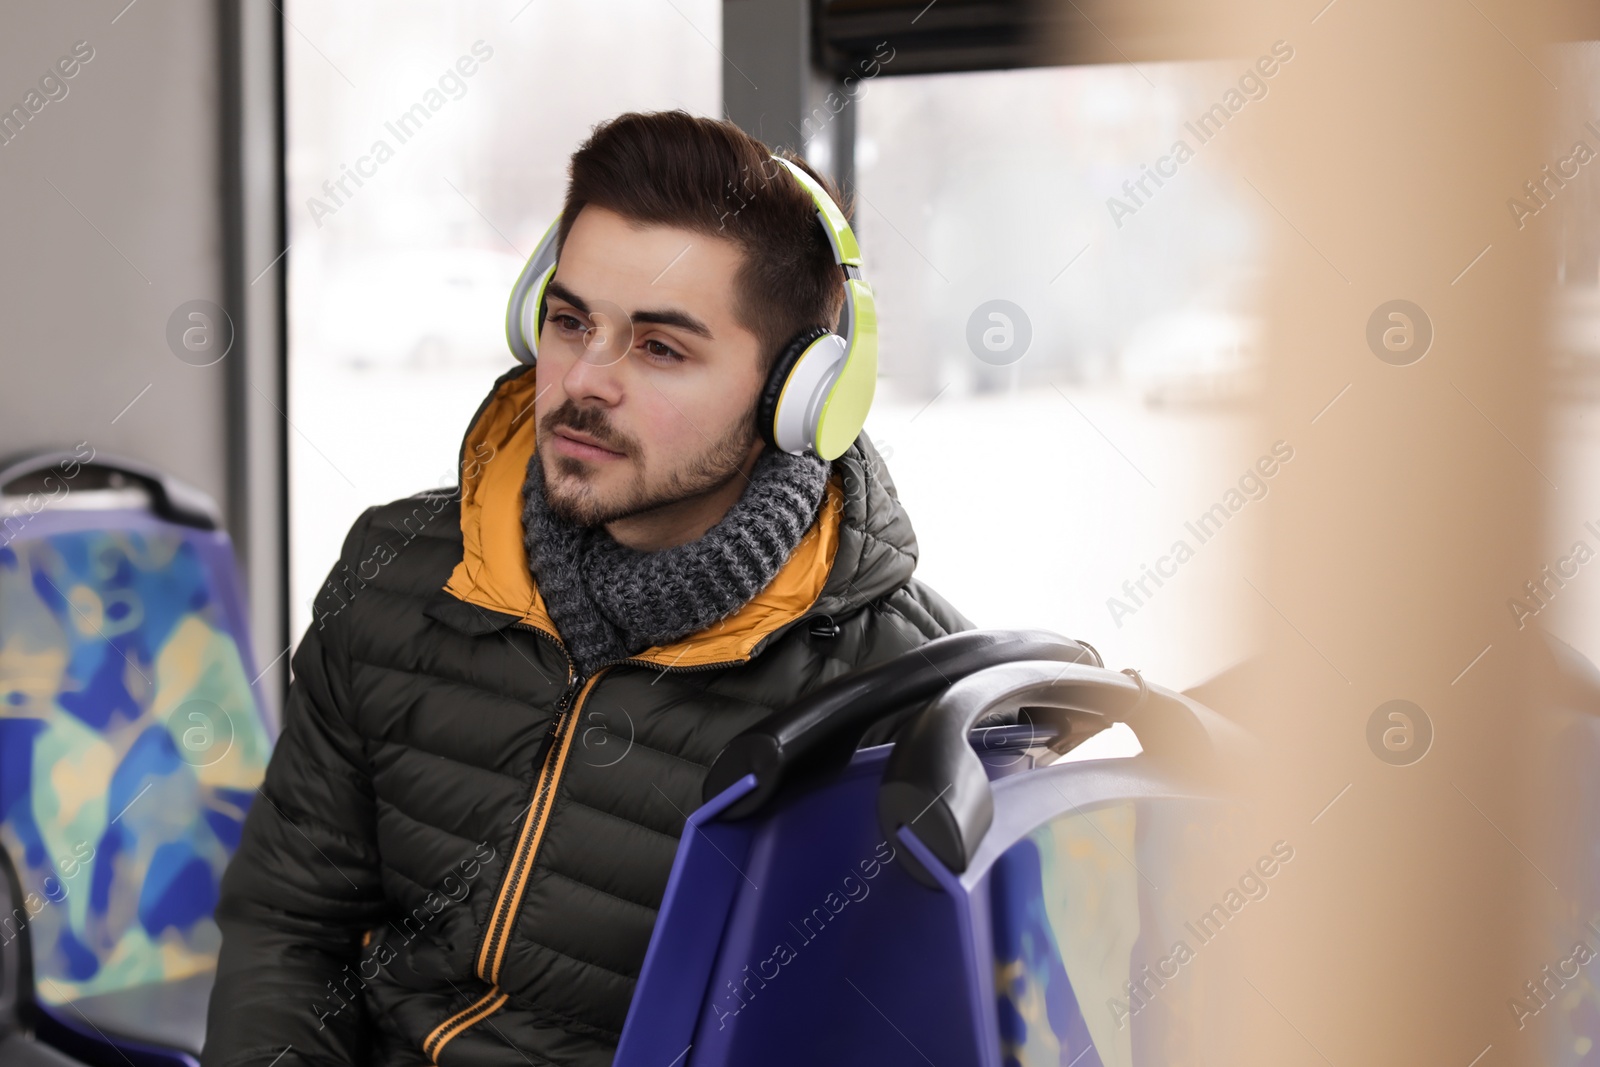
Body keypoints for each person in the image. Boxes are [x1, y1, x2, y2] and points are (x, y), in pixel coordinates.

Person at [201, 109, 971, 1067]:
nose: (583, 382)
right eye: (570, 322)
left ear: (798, 396)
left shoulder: (906, 692)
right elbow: (289, 923)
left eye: (659, 347)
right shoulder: (394, 569)